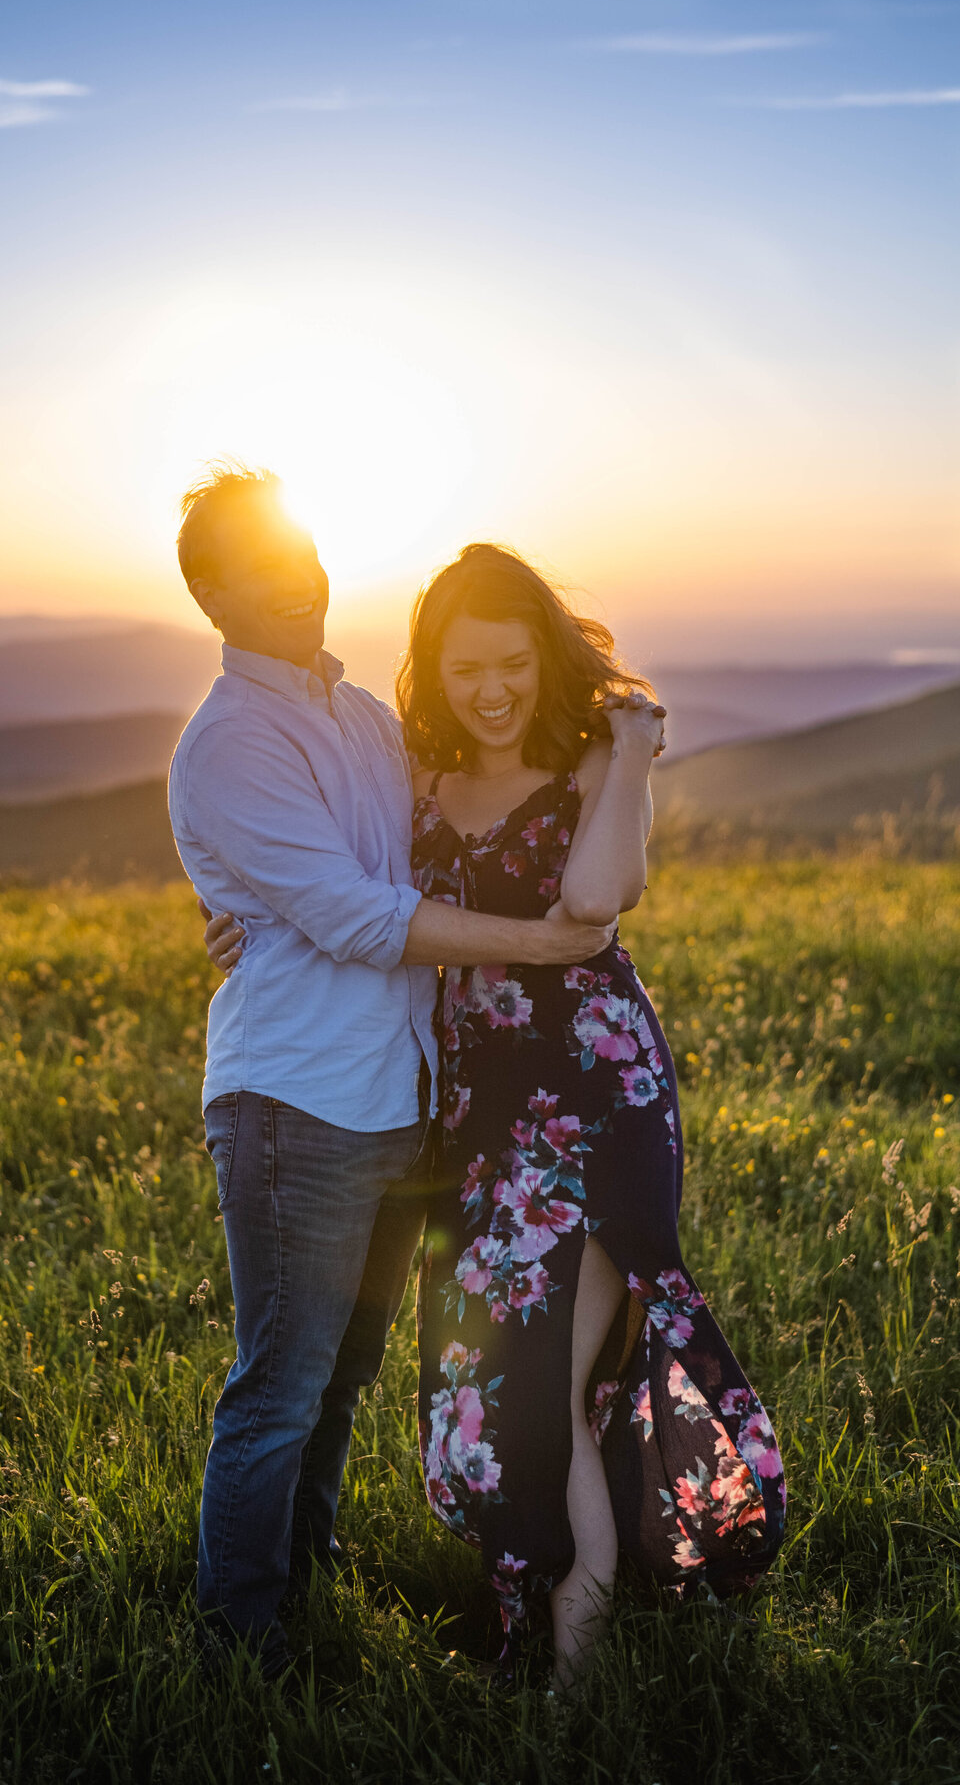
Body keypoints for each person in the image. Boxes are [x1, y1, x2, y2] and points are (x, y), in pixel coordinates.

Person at [167, 466, 617, 1678]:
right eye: (262, 574)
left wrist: (626, 743)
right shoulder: (230, 743)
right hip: (297, 1101)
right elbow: (359, 914)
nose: (300, 587)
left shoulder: (361, 716)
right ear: (209, 594)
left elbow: (436, 839)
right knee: (282, 1381)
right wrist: (546, 947)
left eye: (305, 557)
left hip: (399, 1098)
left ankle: (299, 1583)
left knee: (345, 1373)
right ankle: (240, 1643)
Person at [400, 544, 786, 1689]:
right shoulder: (415, 775)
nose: (493, 689)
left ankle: (568, 1680)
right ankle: (542, 1619)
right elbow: (354, 895)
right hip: (474, 1120)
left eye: (513, 663)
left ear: (546, 657)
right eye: (466, 667)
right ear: (435, 668)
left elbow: (595, 898)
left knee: (543, 1391)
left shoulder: (590, 763)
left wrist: (626, 749)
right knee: (490, 1389)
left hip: (591, 1106)